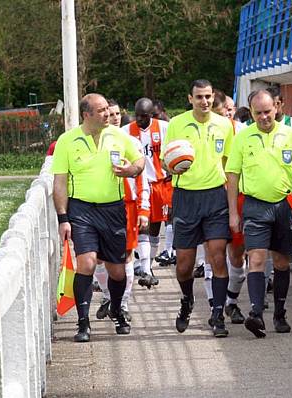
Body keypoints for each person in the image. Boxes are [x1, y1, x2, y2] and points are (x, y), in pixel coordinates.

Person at [52, 93, 145, 342]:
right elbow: (59, 183)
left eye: (108, 109)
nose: (108, 114)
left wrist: (130, 170)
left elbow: (139, 161)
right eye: (101, 110)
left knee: (117, 270)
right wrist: (63, 218)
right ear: (87, 114)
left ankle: (116, 309)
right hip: (81, 210)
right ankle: (83, 323)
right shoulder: (67, 141)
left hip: (113, 209)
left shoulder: (118, 136)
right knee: (87, 263)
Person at [225, 89, 292, 338]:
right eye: (258, 113)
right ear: (251, 113)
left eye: (267, 112)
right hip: (255, 206)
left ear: (276, 107)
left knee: (282, 261)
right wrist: (233, 212)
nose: (264, 117)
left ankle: (280, 313)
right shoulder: (243, 138)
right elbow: (232, 176)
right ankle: (256, 313)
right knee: (256, 258)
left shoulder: (291, 135)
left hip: (285, 205)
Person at [160, 79, 234, 338]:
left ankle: (217, 313)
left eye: (208, 97)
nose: (205, 101)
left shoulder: (224, 125)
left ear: (214, 98)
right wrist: (174, 165)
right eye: (199, 97)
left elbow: (229, 162)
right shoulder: (177, 124)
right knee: (184, 264)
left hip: (215, 197)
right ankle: (187, 300)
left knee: (217, 256)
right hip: (185, 198)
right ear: (190, 99)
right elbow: (164, 162)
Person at [95, 100, 150, 322]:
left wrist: (143, 208)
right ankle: (109, 296)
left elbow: (141, 177)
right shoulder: (94, 141)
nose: (115, 117)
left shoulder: (130, 142)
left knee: (125, 256)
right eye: (110, 113)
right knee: (99, 258)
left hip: (127, 207)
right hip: (99, 207)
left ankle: (123, 304)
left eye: (118, 113)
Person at [123, 98, 171, 288]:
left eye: (144, 116)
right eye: (138, 116)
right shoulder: (125, 132)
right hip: (139, 184)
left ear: (152, 114)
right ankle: (145, 268)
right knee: (141, 224)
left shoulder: (164, 128)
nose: (140, 119)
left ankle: (148, 265)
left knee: (155, 228)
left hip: (160, 184)